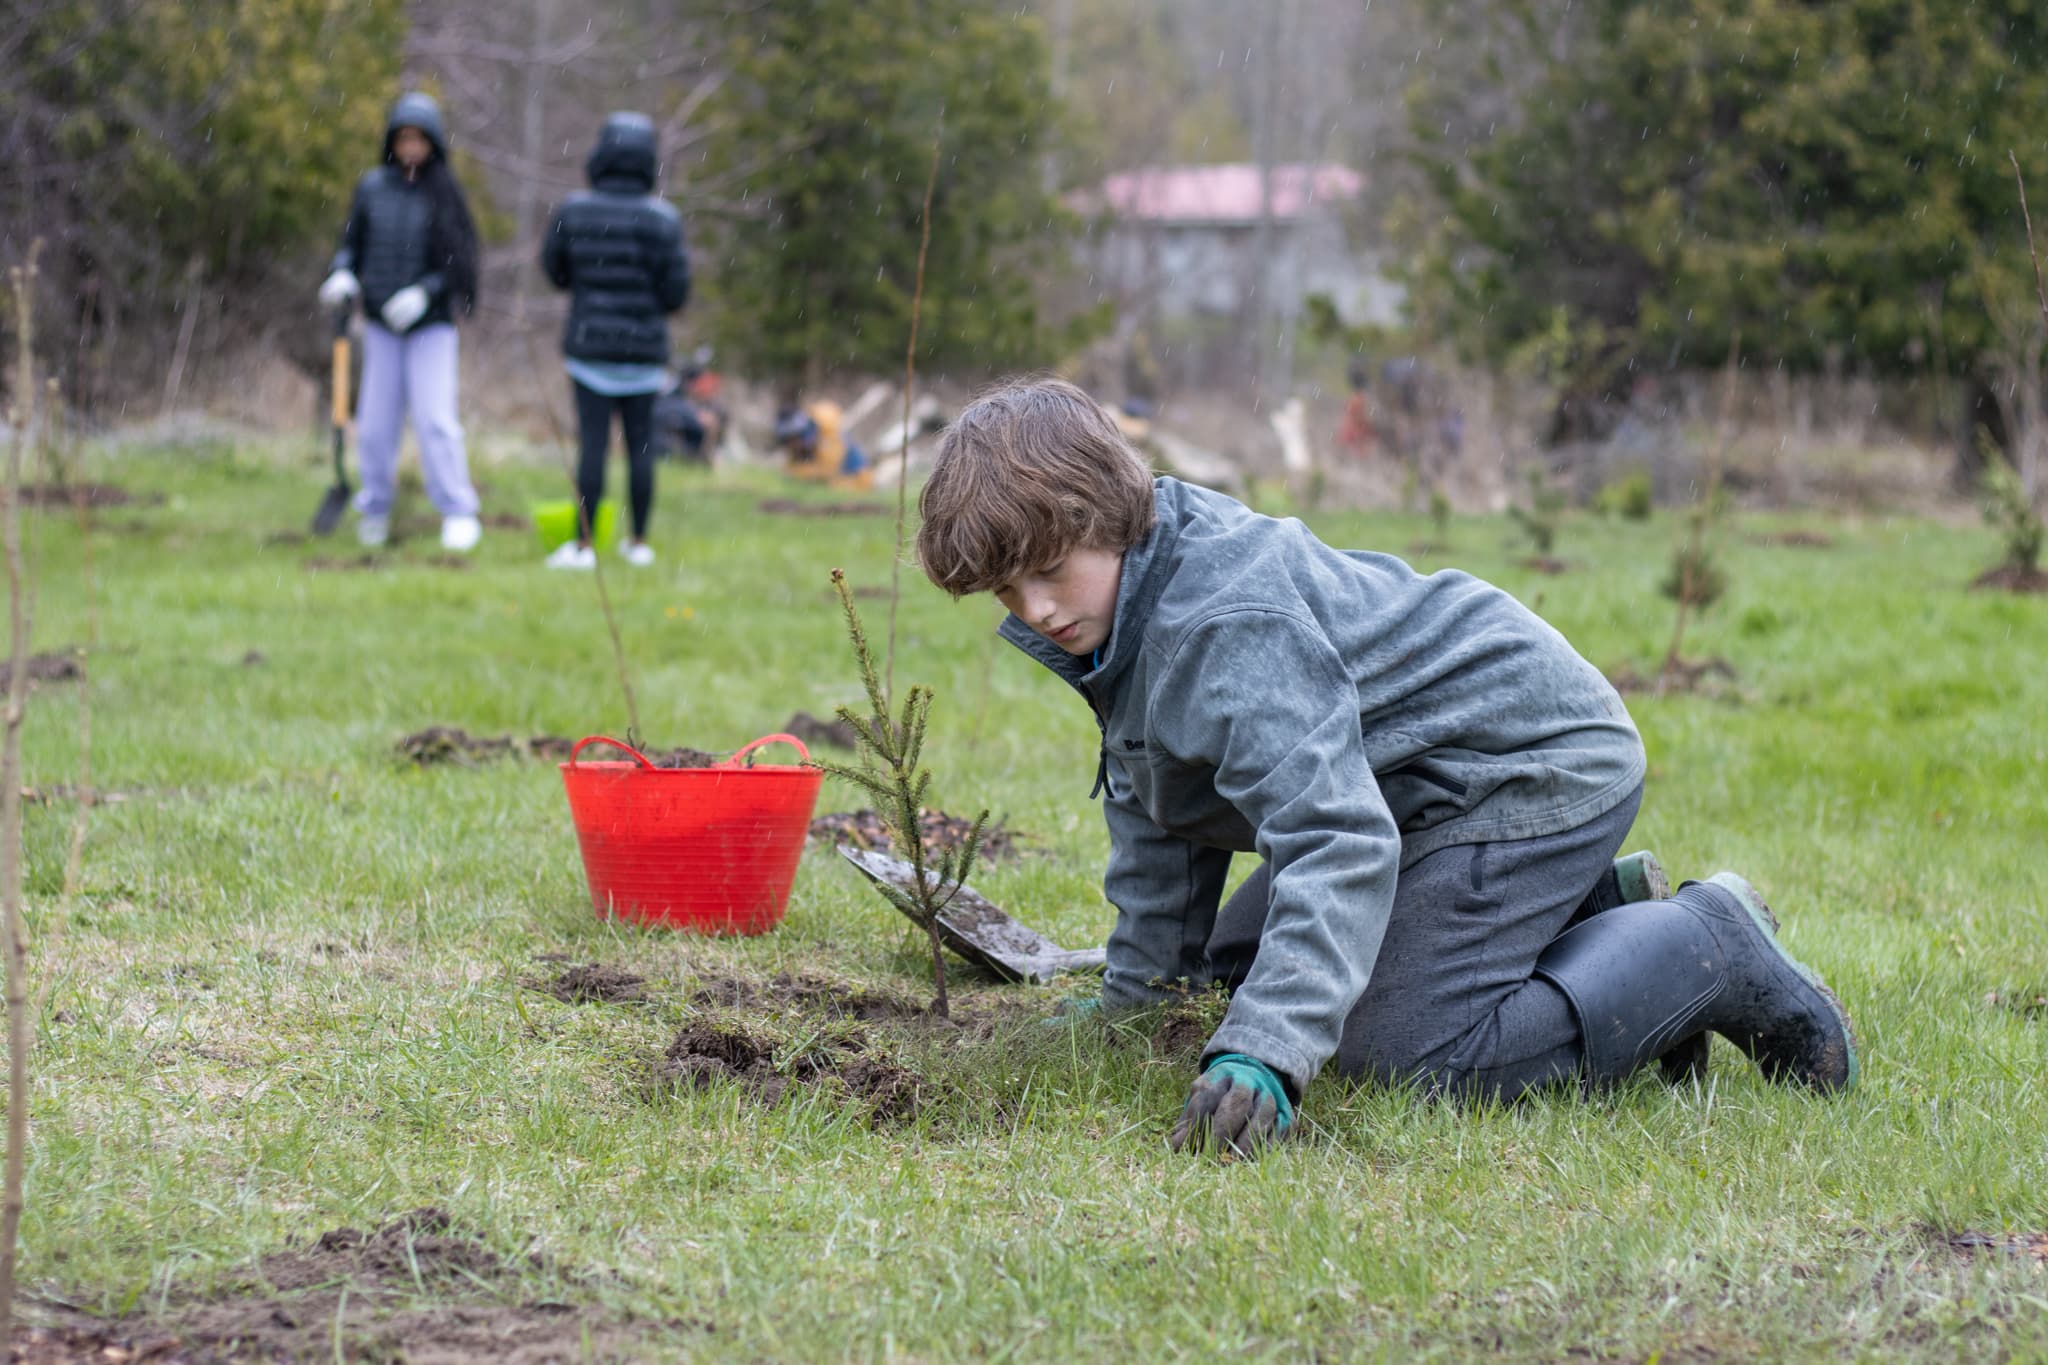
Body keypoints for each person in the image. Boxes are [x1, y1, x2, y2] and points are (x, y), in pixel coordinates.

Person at [914, 378, 1858, 1159]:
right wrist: (1141, 1001)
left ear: (1106, 514)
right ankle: (1595, 912)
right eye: (1006, 588)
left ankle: (1708, 943)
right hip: (1415, 787)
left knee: (1403, 1050)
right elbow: (1164, 803)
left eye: (1049, 569)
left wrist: (1269, 1053)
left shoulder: (1220, 626)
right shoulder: (1127, 605)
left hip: (1530, 764)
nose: (1033, 607)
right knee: (1246, 966)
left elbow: (1335, 837)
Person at [319, 92, 484, 552]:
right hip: (380, 325)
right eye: (404, 138)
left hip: (430, 326)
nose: (411, 148)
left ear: (433, 143)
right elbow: (351, 241)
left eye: (419, 139)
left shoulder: (445, 193)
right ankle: (373, 506)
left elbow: (459, 261)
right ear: (392, 141)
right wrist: (343, 273)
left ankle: (457, 509)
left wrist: (424, 293)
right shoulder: (371, 187)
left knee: (435, 420)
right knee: (373, 424)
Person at [539, 111, 691, 569]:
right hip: (643, 355)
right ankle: (639, 542)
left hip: (589, 350)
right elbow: (676, 293)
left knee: (592, 446)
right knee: (642, 448)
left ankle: (584, 547)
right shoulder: (664, 219)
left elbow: (555, 271)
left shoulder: (574, 210)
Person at [773, 400, 871, 490]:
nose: (793, 445)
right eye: (787, 441)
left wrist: (795, 473)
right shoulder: (805, 440)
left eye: (794, 439)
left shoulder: (828, 438)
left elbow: (826, 471)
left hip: (854, 480)